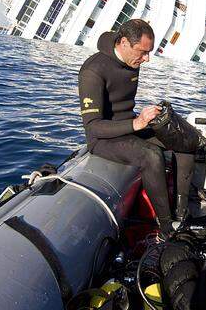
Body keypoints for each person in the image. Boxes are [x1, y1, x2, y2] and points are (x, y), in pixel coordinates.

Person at [78, 19, 194, 236]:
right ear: (124, 43)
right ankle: (166, 227)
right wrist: (137, 123)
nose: (147, 59)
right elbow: (93, 127)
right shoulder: (93, 70)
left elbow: (125, 109)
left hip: (130, 126)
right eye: (142, 52)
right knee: (151, 155)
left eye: (149, 52)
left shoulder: (133, 60)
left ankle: (181, 214)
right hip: (103, 139)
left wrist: (147, 121)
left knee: (182, 144)